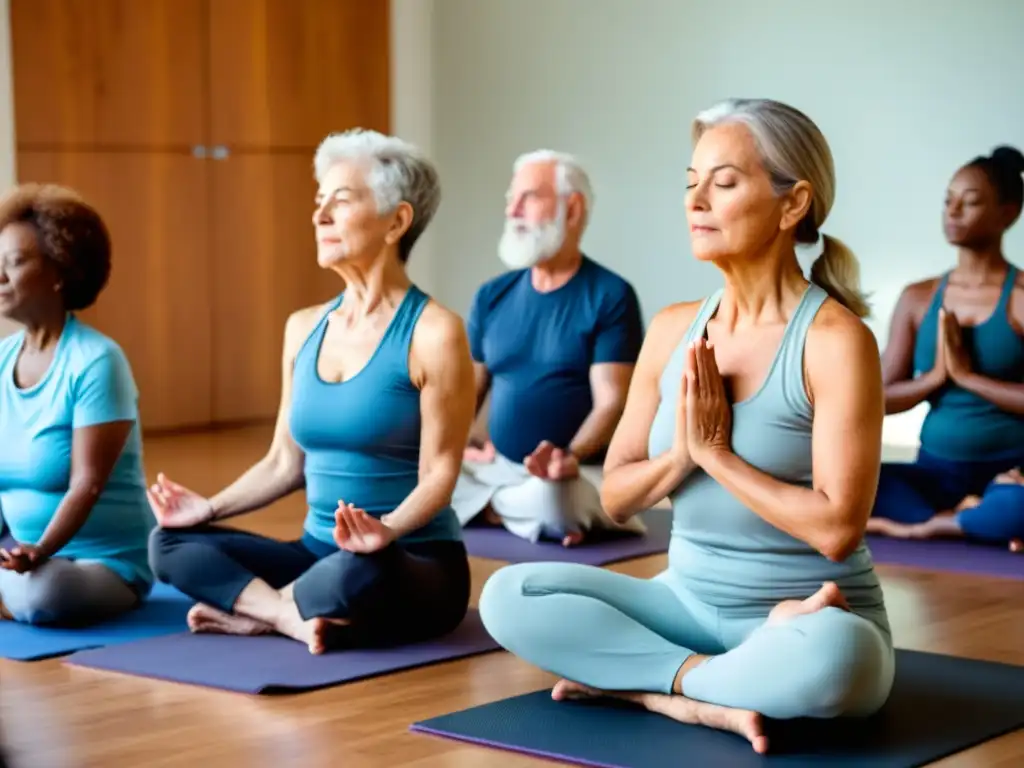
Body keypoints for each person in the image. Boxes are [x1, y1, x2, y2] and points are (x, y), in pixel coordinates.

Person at [478, 99, 894, 754]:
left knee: (842, 663)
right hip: (683, 607)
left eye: (723, 182)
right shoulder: (673, 328)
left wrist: (718, 453)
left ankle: (645, 683)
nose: (695, 200)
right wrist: (683, 459)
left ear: (793, 205)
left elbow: (838, 530)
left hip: (810, 615)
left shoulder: (836, 340)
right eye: (690, 182)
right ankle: (698, 696)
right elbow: (615, 496)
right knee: (511, 592)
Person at [146, 129, 476, 654]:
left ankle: (262, 611)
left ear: (397, 221)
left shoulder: (435, 332)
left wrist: (385, 531)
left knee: (356, 571)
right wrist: (207, 510)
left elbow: (440, 474)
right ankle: (288, 614)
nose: (320, 215)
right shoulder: (303, 328)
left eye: (340, 201)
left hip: (406, 560)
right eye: (319, 201)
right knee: (169, 543)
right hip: (318, 554)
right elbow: (284, 462)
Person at [452, 150, 646, 547]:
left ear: (571, 210)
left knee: (553, 499)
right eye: (511, 199)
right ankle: (510, 509)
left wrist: (568, 456)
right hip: (500, 469)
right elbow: (466, 392)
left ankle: (501, 510)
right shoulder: (492, 295)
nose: (513, 210)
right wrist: (454, 446)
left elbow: (612, 401)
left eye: (528, 198)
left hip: (576, 472)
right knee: (414, 474)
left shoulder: (610, 295)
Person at [0, 184, 155, 626]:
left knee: (48, 593)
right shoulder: (2, 359)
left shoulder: (97, 361)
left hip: (99, 563)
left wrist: (41, 551)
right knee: (34, 588)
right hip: (20, 556)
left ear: (59, 272)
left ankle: (14, 598)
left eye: (13, 263)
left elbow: (86, 483)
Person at [867, 146, 1024, 552]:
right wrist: (937, 377)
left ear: (1008, 213)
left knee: (1016, 502)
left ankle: (931, 527)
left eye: (969, 202)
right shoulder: (918, 298)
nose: (953, 212)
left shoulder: (1020, 297)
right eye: (948, 201)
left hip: (1011, 473)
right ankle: (969, 519)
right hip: (935, 473)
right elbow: (877, 398)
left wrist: (970, 378)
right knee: (842, 481)